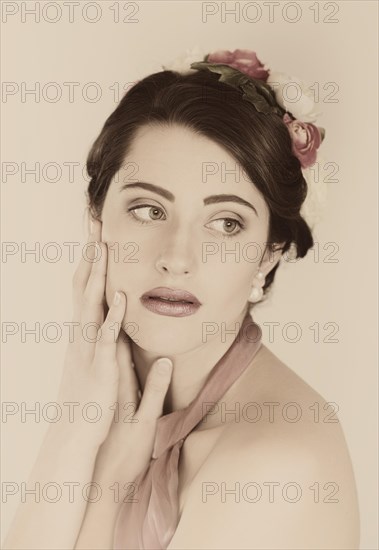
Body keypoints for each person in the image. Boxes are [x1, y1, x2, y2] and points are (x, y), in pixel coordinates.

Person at [4, 49, 360, 550]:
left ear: (269, 254)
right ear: (97, 218)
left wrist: (103, 481)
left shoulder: (272, 468)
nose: (176, 257)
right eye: (149, 210)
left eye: (226, 223)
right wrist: (75, 424)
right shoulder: (105, 402)